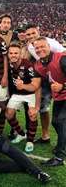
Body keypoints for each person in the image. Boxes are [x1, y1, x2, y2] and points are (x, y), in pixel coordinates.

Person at [25, 24, 66, 144]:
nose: (31, 36)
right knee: (44, 108)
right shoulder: (30, 47)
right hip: (48, 77)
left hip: (61, 76)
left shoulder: (50, 43)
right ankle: (45, 136)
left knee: (60, 118)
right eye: (28, 34)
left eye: (33, 33)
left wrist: (62, 84)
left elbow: (62, 57)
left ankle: (61, 146)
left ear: (38, 32)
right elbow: (41, 65)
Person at [34, 37, 66, 166]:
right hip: (59, 97)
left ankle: (59, 156)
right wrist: (36, 106)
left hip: (64, 93)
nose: (40, 50)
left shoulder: (61, 58)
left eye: (43, 46)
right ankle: (62, 144)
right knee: (55, 122)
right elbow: (38, 86)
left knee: (60, 121)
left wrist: (63, 86)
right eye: (37, 48)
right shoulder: (38, 65)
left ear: (49, 46)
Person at [5, 43, 40, 152]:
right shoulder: (9, 64)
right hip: (17, 94)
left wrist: (23, 86)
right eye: (11, 53)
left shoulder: (28, 65)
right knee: (8, 114)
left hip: (30, 94)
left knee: (32, 115)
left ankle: (30, 141)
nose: (13, 55)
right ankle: (21, 134)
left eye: (16, 53)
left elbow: (35, 86)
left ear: (20, 54)